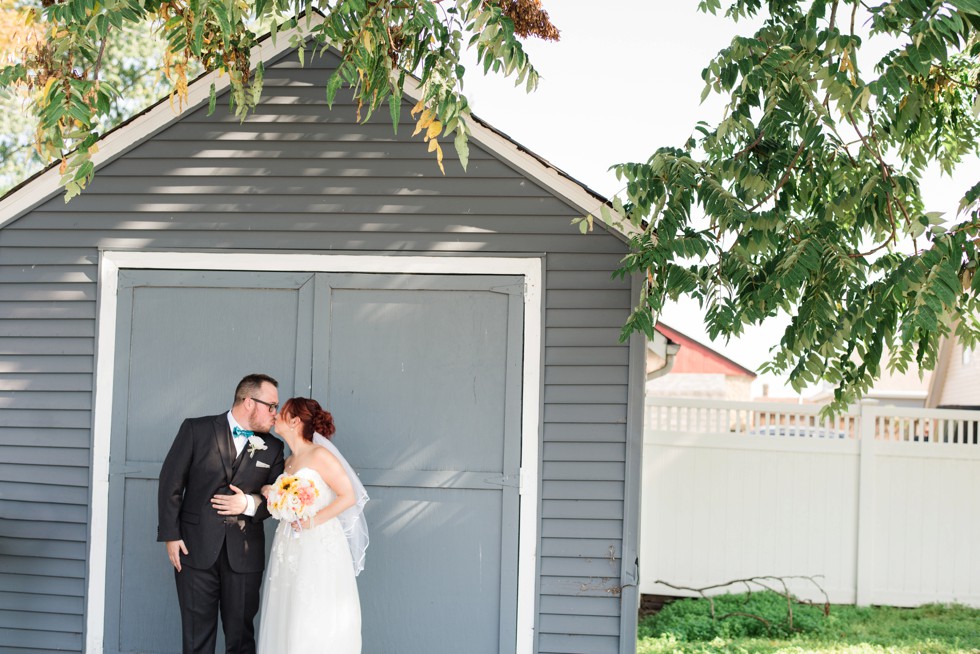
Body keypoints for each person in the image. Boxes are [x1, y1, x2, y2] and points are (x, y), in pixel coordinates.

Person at [157, 373, 286, 654]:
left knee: (241, 639)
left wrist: (249, 505)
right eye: (271, 405)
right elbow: (171, 482)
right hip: (193, 550)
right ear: (249, 402)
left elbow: (279, 499)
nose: (276, 414)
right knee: (196, 638)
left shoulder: (274, 448)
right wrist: (170, 535)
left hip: (244, 554)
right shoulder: (196, 430)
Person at [256, 397, 368, 654]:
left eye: (281, 412)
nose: (276, 416)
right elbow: (282, 497)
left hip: (317, 542)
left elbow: (349, 495)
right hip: (289, 545)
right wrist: (270, 493)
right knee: (287, 610)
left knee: (312, 614)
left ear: (295, 421)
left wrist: (312, 521)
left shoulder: (320, 455)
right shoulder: (288, 463)